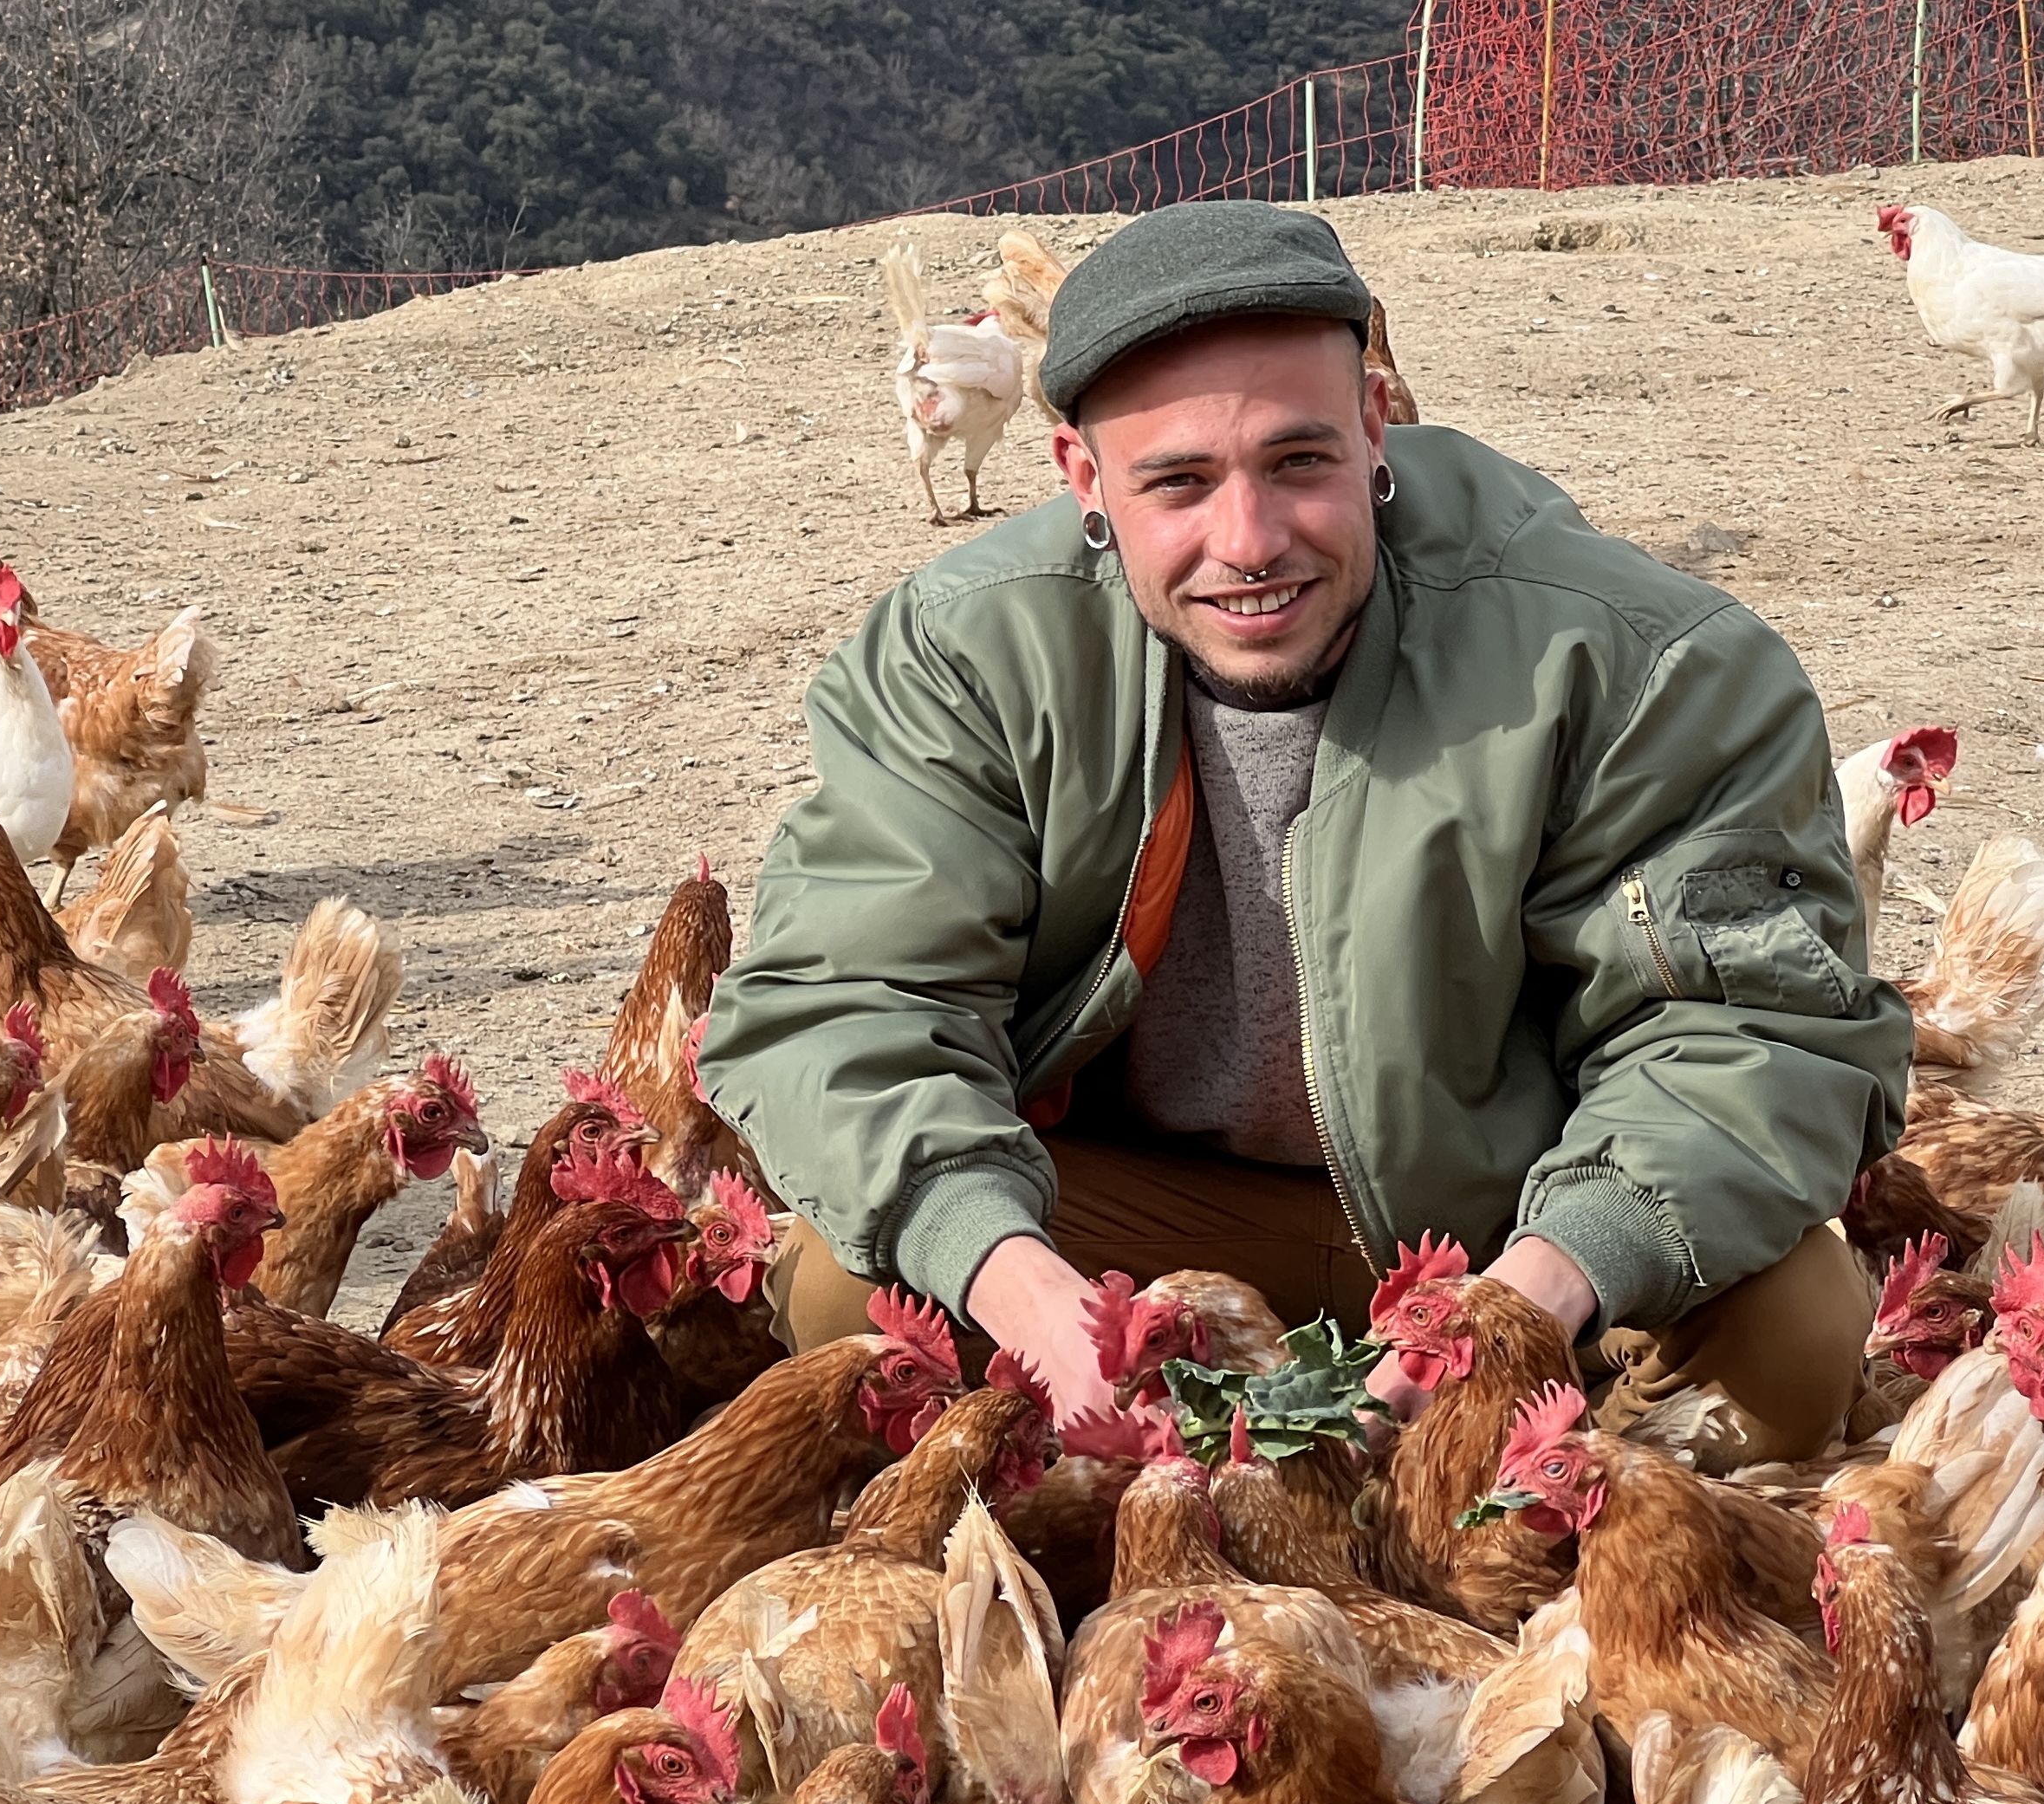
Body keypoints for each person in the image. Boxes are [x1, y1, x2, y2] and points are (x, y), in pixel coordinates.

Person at [699, 200, 1910, 1459]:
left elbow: (1747, 1031)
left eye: (1299, 462)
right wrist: (1035, 1306)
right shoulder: (964, 658)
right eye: (1177, 482)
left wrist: (1521, 1304)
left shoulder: (1636, 659)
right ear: (1082, 480)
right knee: (858, 1289)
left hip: (1513, 1214)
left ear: (1376, 425)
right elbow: (847, 1003)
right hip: (1155, 1217)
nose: (1250, 543)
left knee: (1796, 1330)